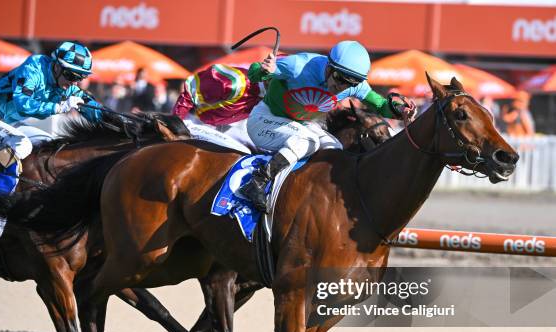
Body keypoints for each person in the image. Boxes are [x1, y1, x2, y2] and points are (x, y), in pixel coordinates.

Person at [239, 41, 416, 212]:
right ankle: (257, 182)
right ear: (329, 67)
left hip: (300, 124)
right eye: (339, 79)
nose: (341, 87)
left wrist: (400, 110)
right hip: (264, 119)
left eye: (350, 84)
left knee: (335, 150)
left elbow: (380, 105)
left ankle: (308, 194)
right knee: (306, 141)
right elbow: (253, 74)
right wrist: (262, 71)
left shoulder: (355, 85)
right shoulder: (297, 66)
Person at [0, 41, 103, 196]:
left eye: (80, 78)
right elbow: (22, 104)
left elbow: (95, 110)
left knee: (50, 146)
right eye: (71, 75)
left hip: (12, 124)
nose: (74, 83)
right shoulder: (33, 68)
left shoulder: (67, 84)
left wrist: (122, 123)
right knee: (22, 145)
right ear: (57, 66)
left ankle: (26, 190)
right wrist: (59, 107)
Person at [172, 64, 264, 153]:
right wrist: (175, 123)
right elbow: (190, 90)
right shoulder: (234, 83)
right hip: (194, 121)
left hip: (226, 126)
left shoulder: (268, 98)